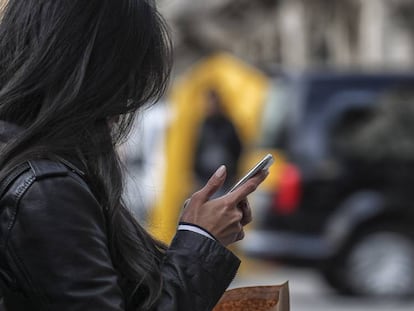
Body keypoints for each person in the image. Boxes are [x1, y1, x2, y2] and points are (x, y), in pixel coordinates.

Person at [0, 1, 268, 311]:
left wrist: (195, 232)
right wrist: (201, 240)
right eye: (126, 78)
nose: (126, 102)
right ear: (95, 73)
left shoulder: (29, 163)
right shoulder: (47, 188)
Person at [194, 89, 243, 196]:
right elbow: (194, 150)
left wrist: (234, 173)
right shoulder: (201, 125)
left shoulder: (228, 125)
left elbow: (237, 149)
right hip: (203, 179)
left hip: (224, 180)